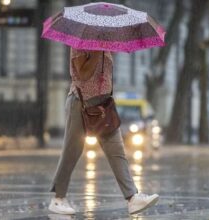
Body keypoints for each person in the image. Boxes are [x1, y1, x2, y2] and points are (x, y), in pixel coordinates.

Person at [48, 48, 159, 215]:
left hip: (103, 106)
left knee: (117, 152)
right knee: (72, 151)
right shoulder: (81, 42)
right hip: (81, 104)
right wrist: (97, 52)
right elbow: (83, 74)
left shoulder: (104, 43)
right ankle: (58, 199)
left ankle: (132, 198)